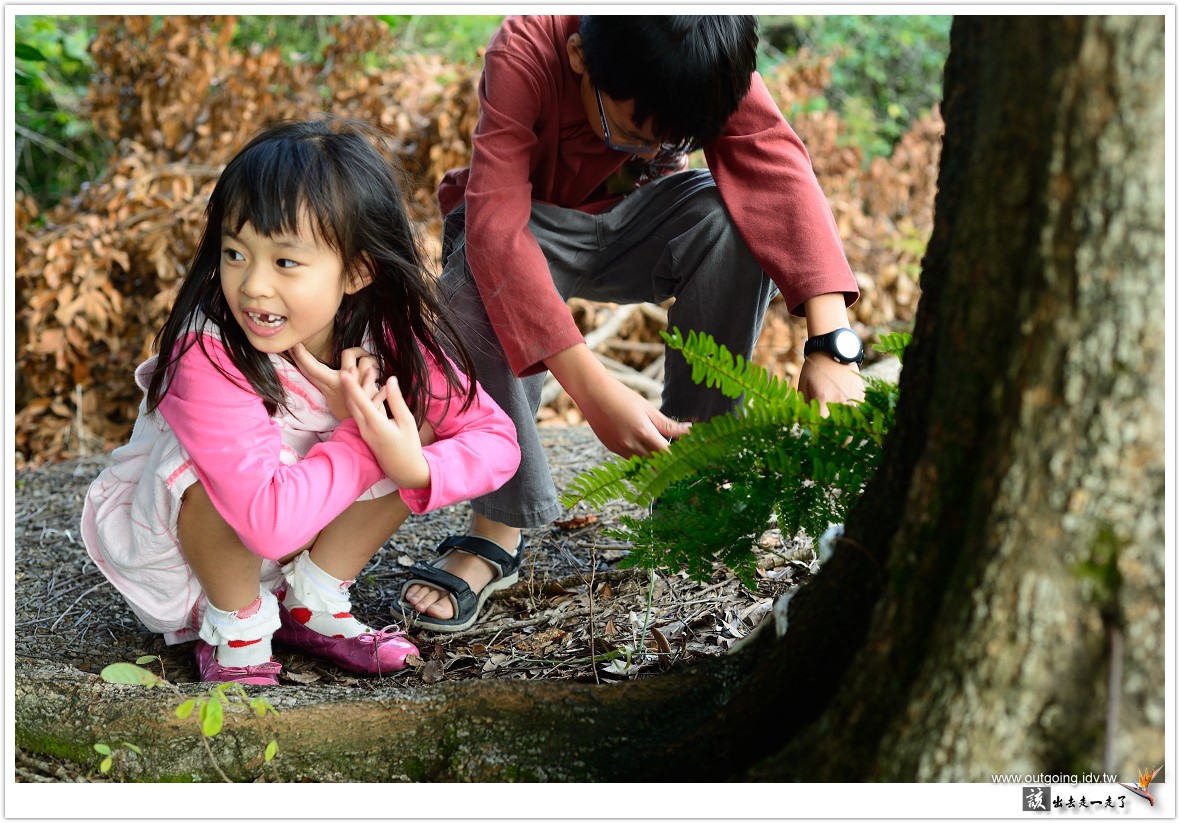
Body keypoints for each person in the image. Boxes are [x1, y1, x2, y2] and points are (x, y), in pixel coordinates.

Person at [399, 15, 865, 633]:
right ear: (579, 57)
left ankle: (693, 482)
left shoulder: (705, 50)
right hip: (531, 228)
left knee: (729, 222)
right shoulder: (528, 48)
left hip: (644, 226)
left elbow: (774, 164)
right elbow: (497, 230)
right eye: (632, 132)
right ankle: (498, 528)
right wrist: (593, 392)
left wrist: (831, 343)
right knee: (478, 276)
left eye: (670, 141)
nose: (648, 153)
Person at [80, 116, 522, 685]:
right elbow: (267, 525)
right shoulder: (209, 352)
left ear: (357, 270)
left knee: (408, 421)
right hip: (197, 557)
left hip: (302, 524)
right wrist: (362, 433)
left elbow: (495, 438)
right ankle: (236, 632)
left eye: (285, 262)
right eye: (236, 253)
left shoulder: (387, 337)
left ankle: (313, 603)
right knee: (209, 475)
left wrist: (413, 466)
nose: (253, 285)